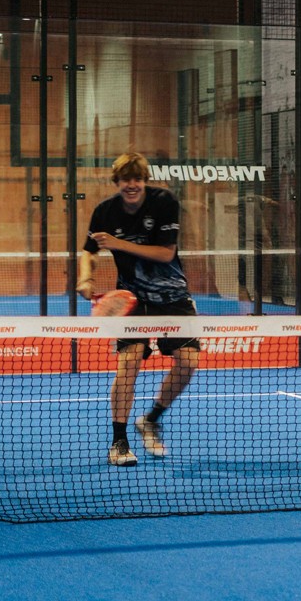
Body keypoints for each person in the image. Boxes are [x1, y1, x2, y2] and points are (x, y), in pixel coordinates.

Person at [77, 152, 199, 468]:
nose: (131, 185)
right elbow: (89, 252)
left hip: (172, 296)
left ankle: (151, 419)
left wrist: (117, 244)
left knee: (189, 362)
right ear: (117, 182)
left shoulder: (164, 202)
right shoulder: (105, 212)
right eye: (125, 180)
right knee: (128, 363)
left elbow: (165, 253)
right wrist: (86, 277)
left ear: (144, 180)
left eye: (137, 179)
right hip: (133, 299)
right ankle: (119, 440)